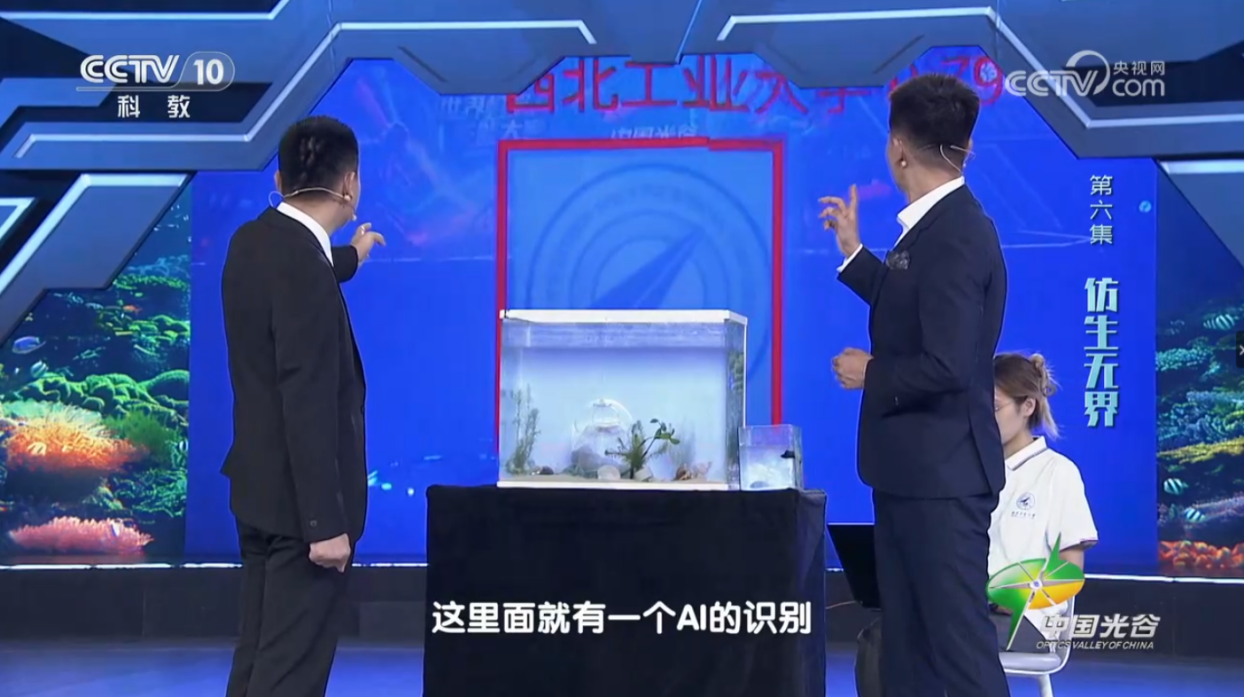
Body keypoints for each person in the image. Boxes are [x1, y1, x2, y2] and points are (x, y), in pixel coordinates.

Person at [821, 73, 1010, 697]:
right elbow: (913, 306)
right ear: (965, 145)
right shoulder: (934, 226)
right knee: (907, 650)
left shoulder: (957, 234)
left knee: (957, 651)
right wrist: (855, 253)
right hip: (912, 475)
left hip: (943, 482)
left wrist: (871, 372)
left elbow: (949, 363)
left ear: (898, 149)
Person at [221, 115, 385, 697]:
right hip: (300, 513)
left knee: (258, 658)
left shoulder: (252, 243)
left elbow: (307, 269)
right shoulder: (304, 270)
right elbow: (306, 395)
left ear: (280, 179)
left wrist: (352, 257)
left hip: (258, 494)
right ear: (350, 184)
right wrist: (325, 524)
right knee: (289, 674)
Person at [854, 353, 1098, 695]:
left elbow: (1070, 572)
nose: (981, 418)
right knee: (886, 637)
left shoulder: (1057, 473)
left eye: (993, 407)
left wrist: (1011, 597)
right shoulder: (964, 468)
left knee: (930, 638)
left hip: (1024, 621)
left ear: (1027, 406)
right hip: (961, 604)